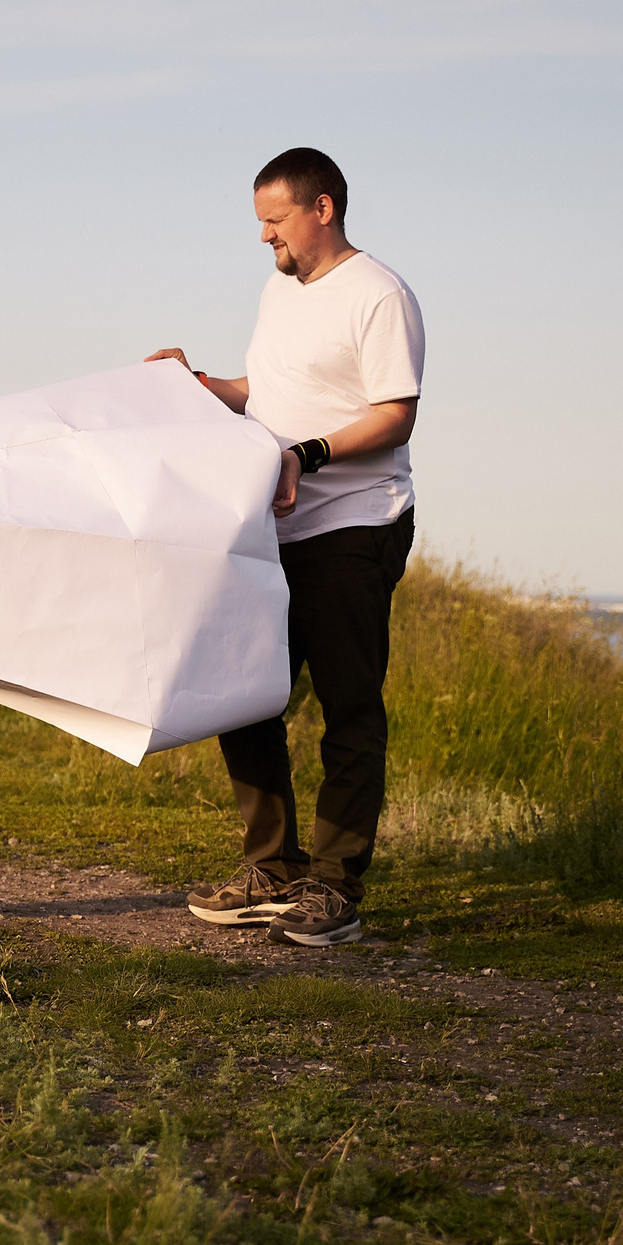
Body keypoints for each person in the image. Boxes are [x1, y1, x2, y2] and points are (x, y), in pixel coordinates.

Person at [146, 147, 423, 948]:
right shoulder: (280, 291)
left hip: (354, 527)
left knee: (348, 708)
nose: (265, 236)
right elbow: (264, 392)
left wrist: (308, 454)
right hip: (274, 527)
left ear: (321, 208)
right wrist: (202, 385)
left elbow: (395, 413)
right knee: (244, 693)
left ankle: (335, 886)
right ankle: (270, 868)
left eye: (275, 220)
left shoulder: (379, 295)